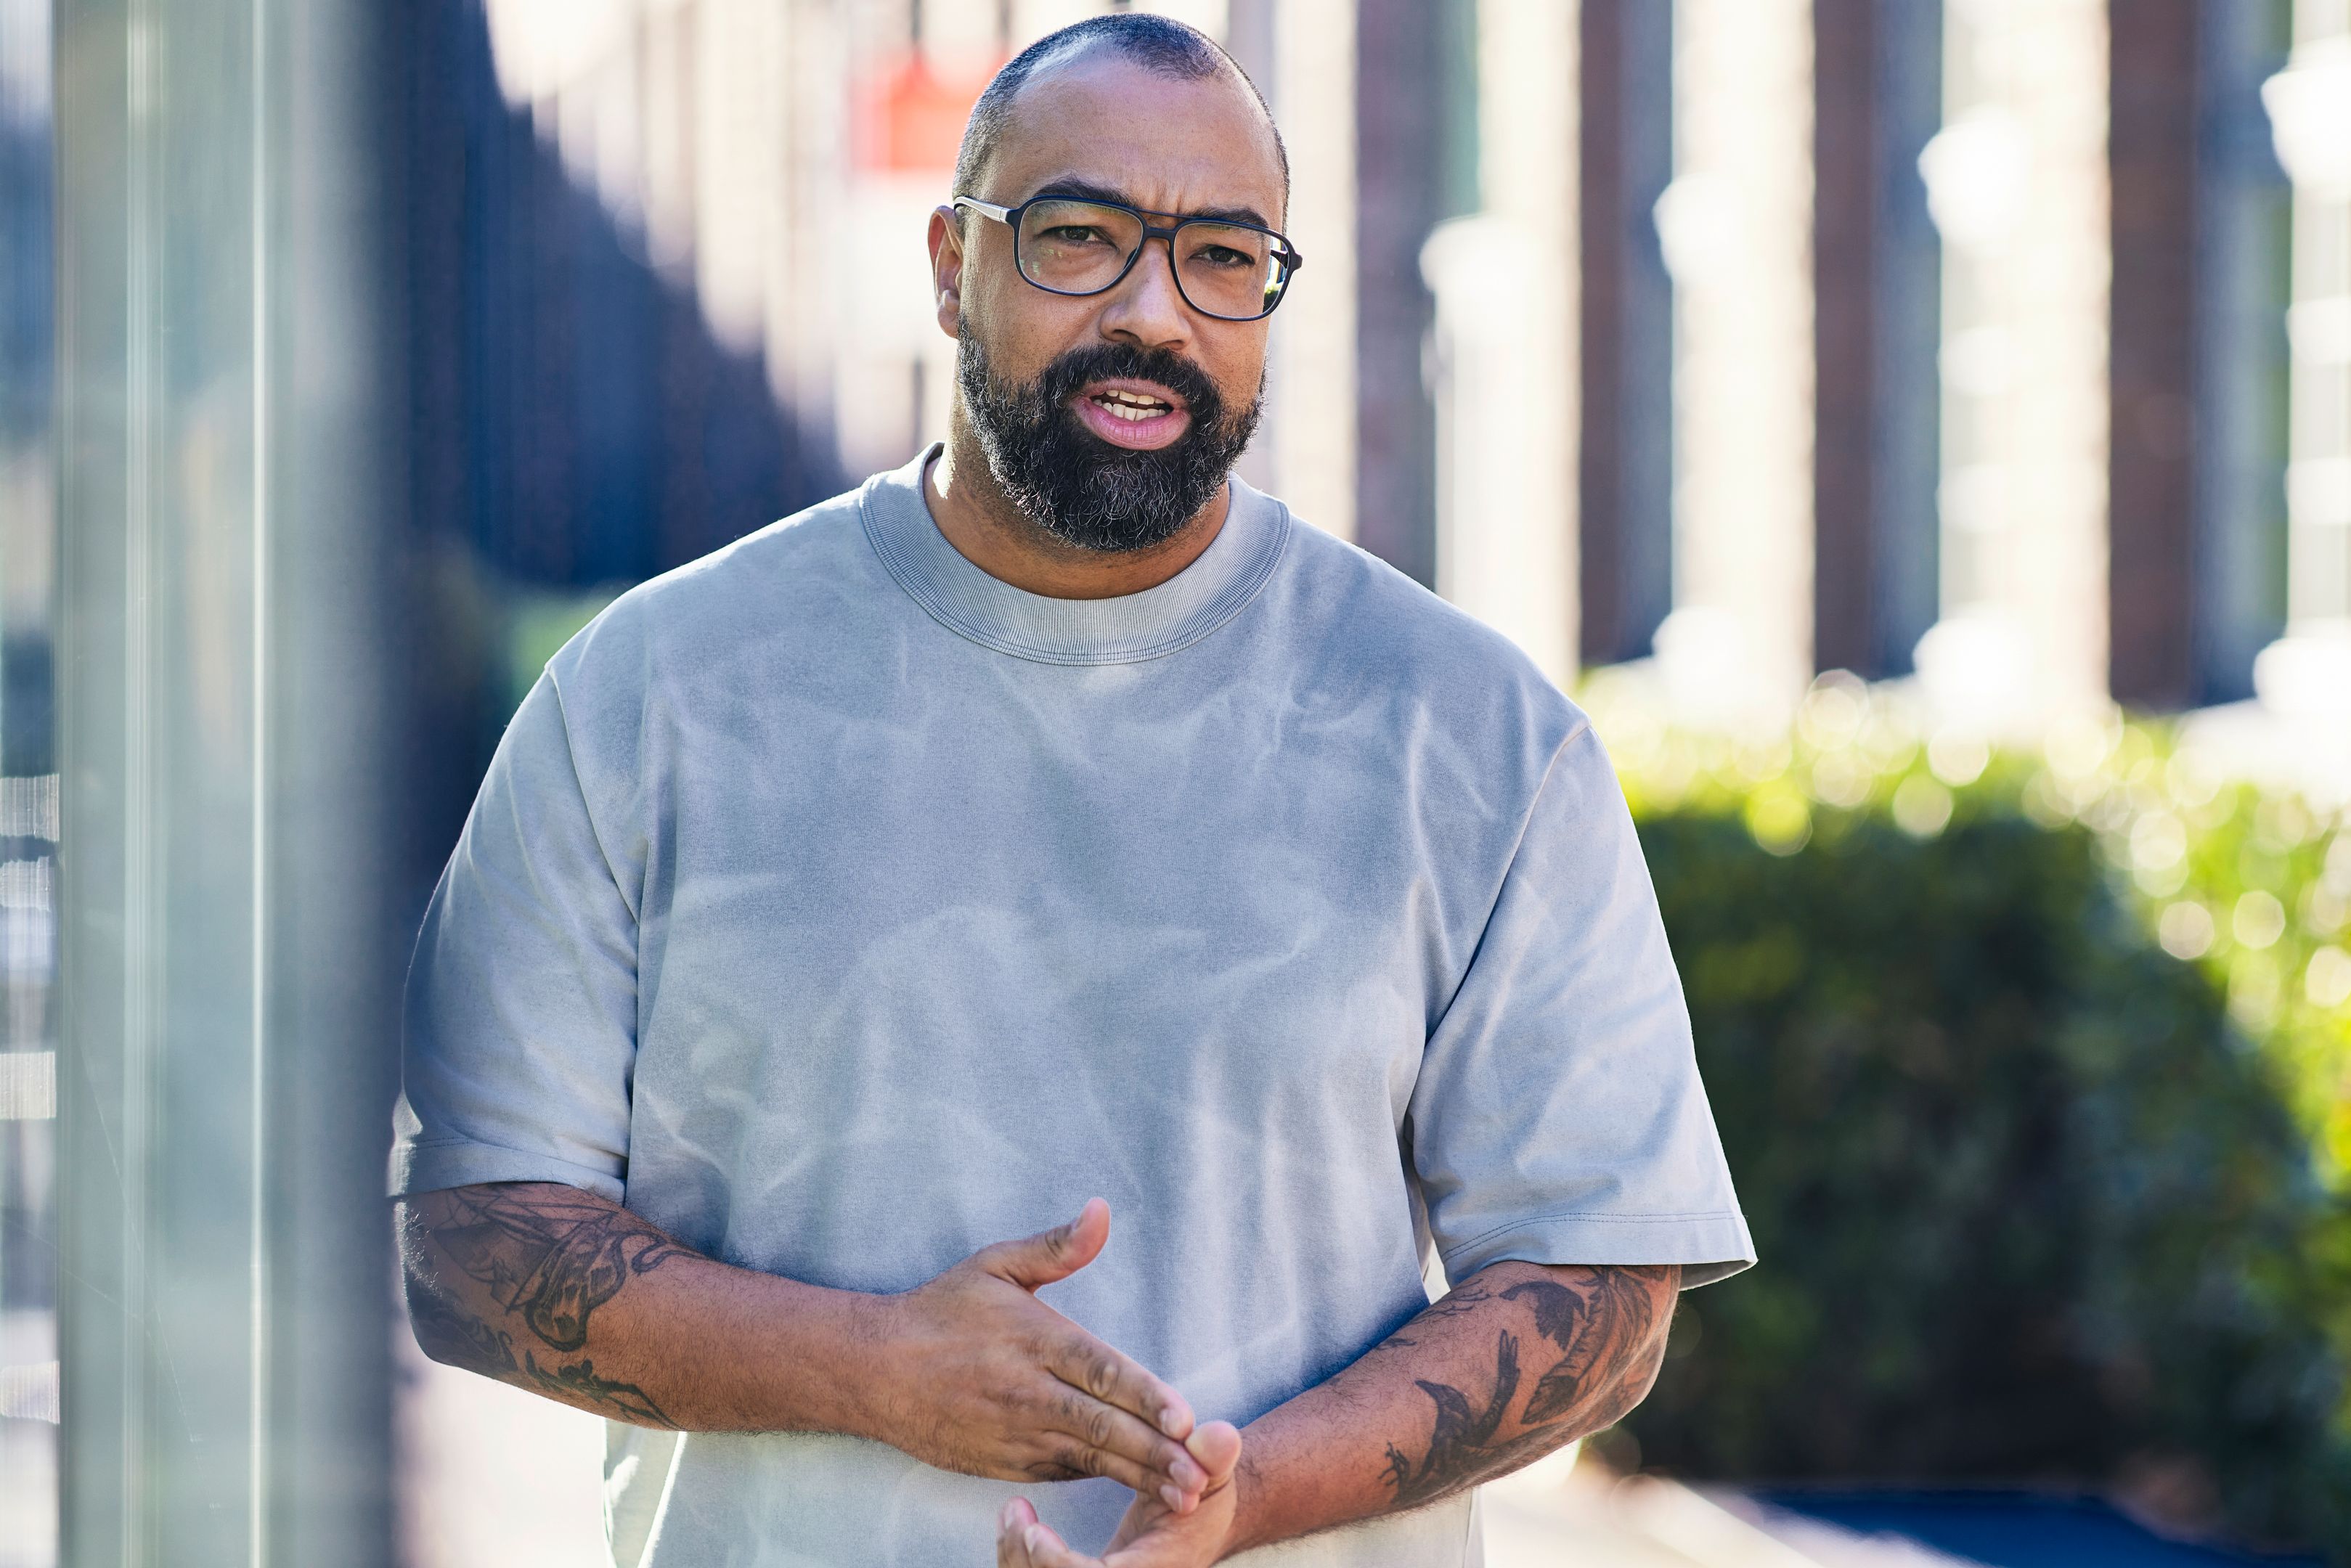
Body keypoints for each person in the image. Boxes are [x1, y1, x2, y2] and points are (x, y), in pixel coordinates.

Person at [391, 15, 1753, 1567]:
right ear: (950, 263)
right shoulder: (650, 695)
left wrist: (1247, 1495)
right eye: (1079, 236)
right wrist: (870, 1369)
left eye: (1222, 258)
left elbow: (1596, 1278)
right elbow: (470, 1237)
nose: (1152, 313)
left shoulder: (1473, 733)